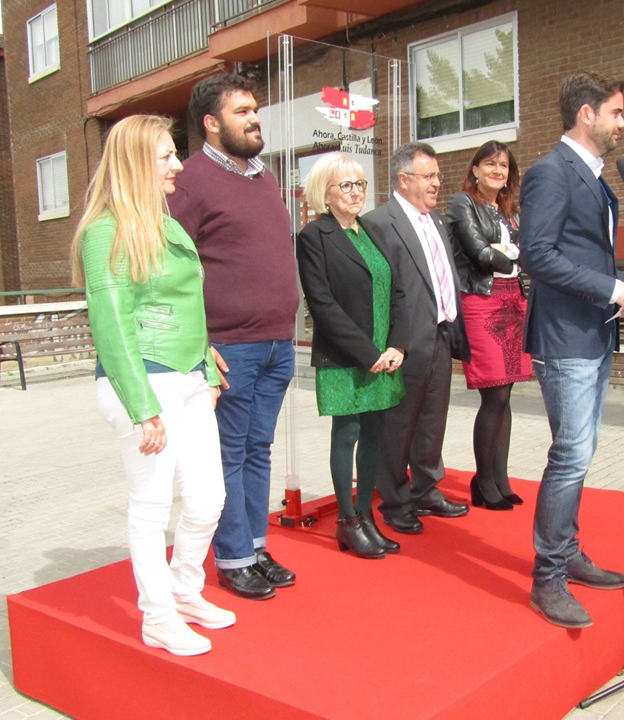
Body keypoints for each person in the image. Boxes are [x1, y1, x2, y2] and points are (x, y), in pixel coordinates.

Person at [70, 114, 235, 656]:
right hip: (141, 383)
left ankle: (185, 591)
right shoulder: (104, 232)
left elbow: (191, 306)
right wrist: (143, 408)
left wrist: (207, 370)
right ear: (136, 162)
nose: (177, 165)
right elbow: (111, 325)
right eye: (165, 155)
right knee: (150, 503)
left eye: (175, 153)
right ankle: (157, 616)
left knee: (208, 498)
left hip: (188, 377)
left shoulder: (166, 223)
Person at [519, 72, 624, 628]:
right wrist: (611, 289)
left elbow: (585, 258)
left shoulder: (596, 179)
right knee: (570, 455)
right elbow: (538, 256)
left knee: (580, 453)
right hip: (566, 339)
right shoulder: (551, 173)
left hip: (594, 331)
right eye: (617, 112)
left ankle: (568, 551)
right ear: (586, 114)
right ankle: (548, 576)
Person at [169, 74, 300, 601]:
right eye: (242, 111)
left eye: (255, 110)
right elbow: (172, 271)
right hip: (230, 350)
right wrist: (201, 346)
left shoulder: (263, 177)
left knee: (258, 449)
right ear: (211, 122)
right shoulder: (191, 180)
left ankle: (256, 545)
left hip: (277, 344)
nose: (254, 119)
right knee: (230, 453)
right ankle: (232, 556)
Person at [295, 153, 407, 558]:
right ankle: (346, 521)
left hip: (385, 355)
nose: (356, 191)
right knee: (349, 433)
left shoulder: (371, 230)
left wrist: (397, 345)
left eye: (360, 183)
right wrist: (367, 353)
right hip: (347, 356)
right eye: (346, 185)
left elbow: (397, 291)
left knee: (376, 434)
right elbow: (322, 305)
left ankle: (366, 517)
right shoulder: (314, 237)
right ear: (325, 192)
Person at [363, 142, 469, 535]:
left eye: (438, 176)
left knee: (432, 419)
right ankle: (395, 499)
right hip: (403, 343)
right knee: (398, 423)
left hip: (440, 334)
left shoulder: (436, 220)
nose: (437, 183)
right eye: (430, 176)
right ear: (403, 180)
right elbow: (379, 291)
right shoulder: (379, 222)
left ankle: (426, 488)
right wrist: (391, 343)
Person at [446, 141, 531, 511]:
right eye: (490, 164)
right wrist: (510, 253)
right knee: (493, 393)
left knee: (506, 393)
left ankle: (500, 478)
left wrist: (511, 251)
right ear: (476, 169)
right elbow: (477, 251)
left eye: (504, 166)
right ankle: (482, 481)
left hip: (515, 300)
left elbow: (529, 250)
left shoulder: (510, 211)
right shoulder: (462, 203)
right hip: (482, 300)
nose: (498, 171)